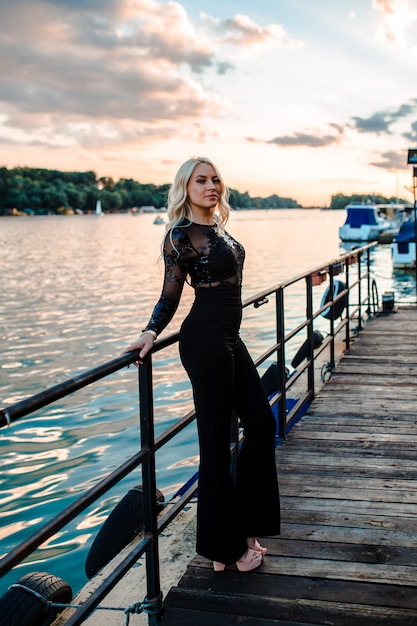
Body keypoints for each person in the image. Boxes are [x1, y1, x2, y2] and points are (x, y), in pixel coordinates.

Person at [122, 157, 280, 572]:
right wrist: (151, 331)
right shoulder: (179, 236)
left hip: (230, 338)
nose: (212, 186)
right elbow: (170, 295)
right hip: (204, 341)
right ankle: (223, 550)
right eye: (201, 180)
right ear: (185, 187)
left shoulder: (218, 231)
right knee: (213, 442)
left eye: (215, 180)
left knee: (262, 425)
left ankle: (244, 528)